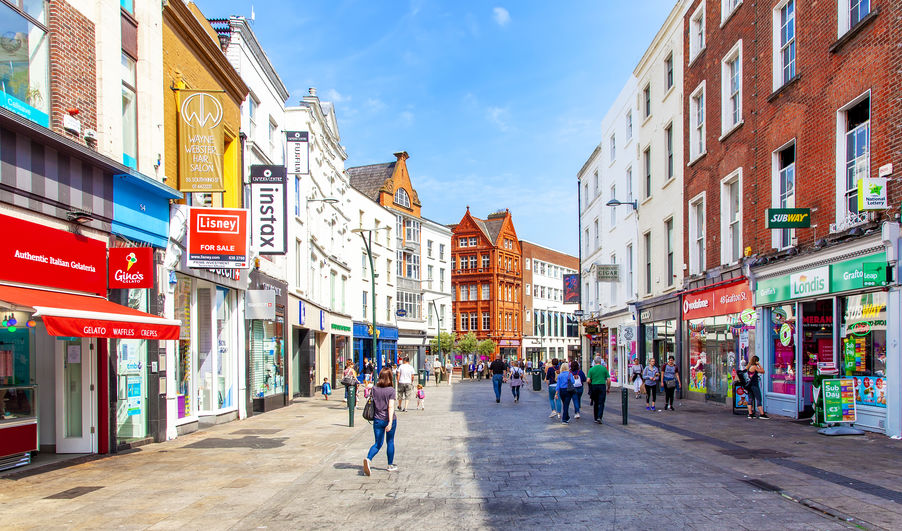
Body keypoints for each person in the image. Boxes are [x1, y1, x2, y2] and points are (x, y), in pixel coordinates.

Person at [364, 367, 398, 475]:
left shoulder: (374, 389)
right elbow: (391, 407)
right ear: (390, 378)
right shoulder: (391, 390)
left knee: (378, 443)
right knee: (390, 441)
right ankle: (390, 464)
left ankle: (368, 459)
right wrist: (390, 422)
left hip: (377, 419)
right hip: (388, 419)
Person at [587, 356, 611, 424]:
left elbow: (588, 380)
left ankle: (595, 417)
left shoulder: (591, 369)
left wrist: (591, 384)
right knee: (601, 402)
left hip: (594, 386)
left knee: (596, 402)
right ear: (600, 361)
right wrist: (608, 388)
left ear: (594, 361)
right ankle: (599, 417)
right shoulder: (604, 369)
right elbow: (609, 380)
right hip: (602, 386)